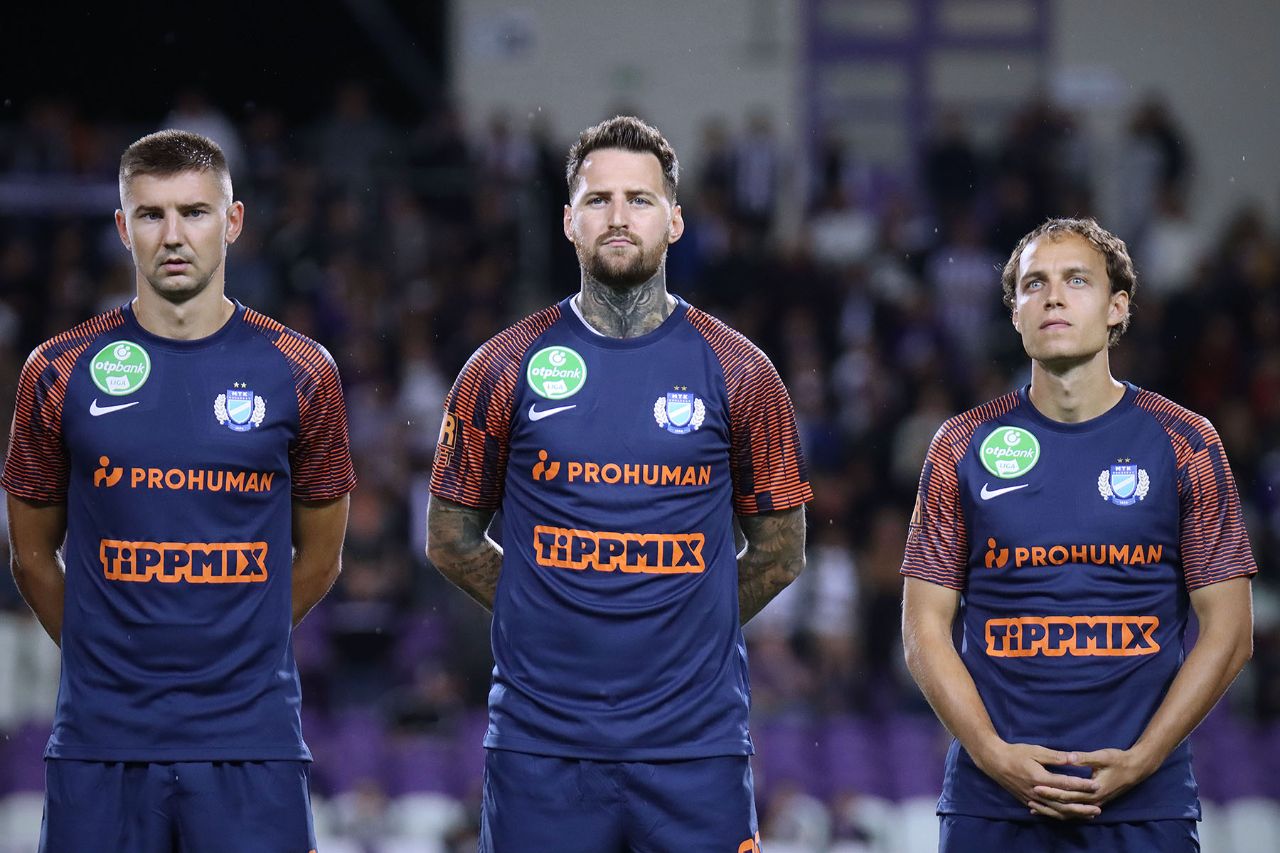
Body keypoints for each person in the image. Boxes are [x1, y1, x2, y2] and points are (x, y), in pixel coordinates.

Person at [426, 115, 811, 853]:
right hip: (541, 746)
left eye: (639, 199)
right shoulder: (499, 367)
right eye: (597, 199)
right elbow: (449, 539)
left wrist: (684, 622)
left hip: (696, 746)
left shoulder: (742, 371)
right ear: (568, 222)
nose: (618, 217)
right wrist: (551, 608)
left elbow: (781, 551)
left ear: (676, 220)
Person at [4, 129, 356, 853]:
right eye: (151, 214)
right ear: (121, 227)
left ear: (233, 221)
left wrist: (240, 643)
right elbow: (31, 556)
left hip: (251, 740)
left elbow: (322, 557)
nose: (173, 235)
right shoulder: (57, 370)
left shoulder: (301, 369)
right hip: (101, 740)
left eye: (194, 212)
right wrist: (105, 651)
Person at [901, 217, 1256, 853]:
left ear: (1118, 307)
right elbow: (923, 629)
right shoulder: (961, 446)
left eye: (1076, 280)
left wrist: (1144, 759)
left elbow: (1230, 632)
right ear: (1015, 313)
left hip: (1145, 807)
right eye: (1034, 284)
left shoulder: (1186, 443)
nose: (1053, 298)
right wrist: (993, 754)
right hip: (993, 805)